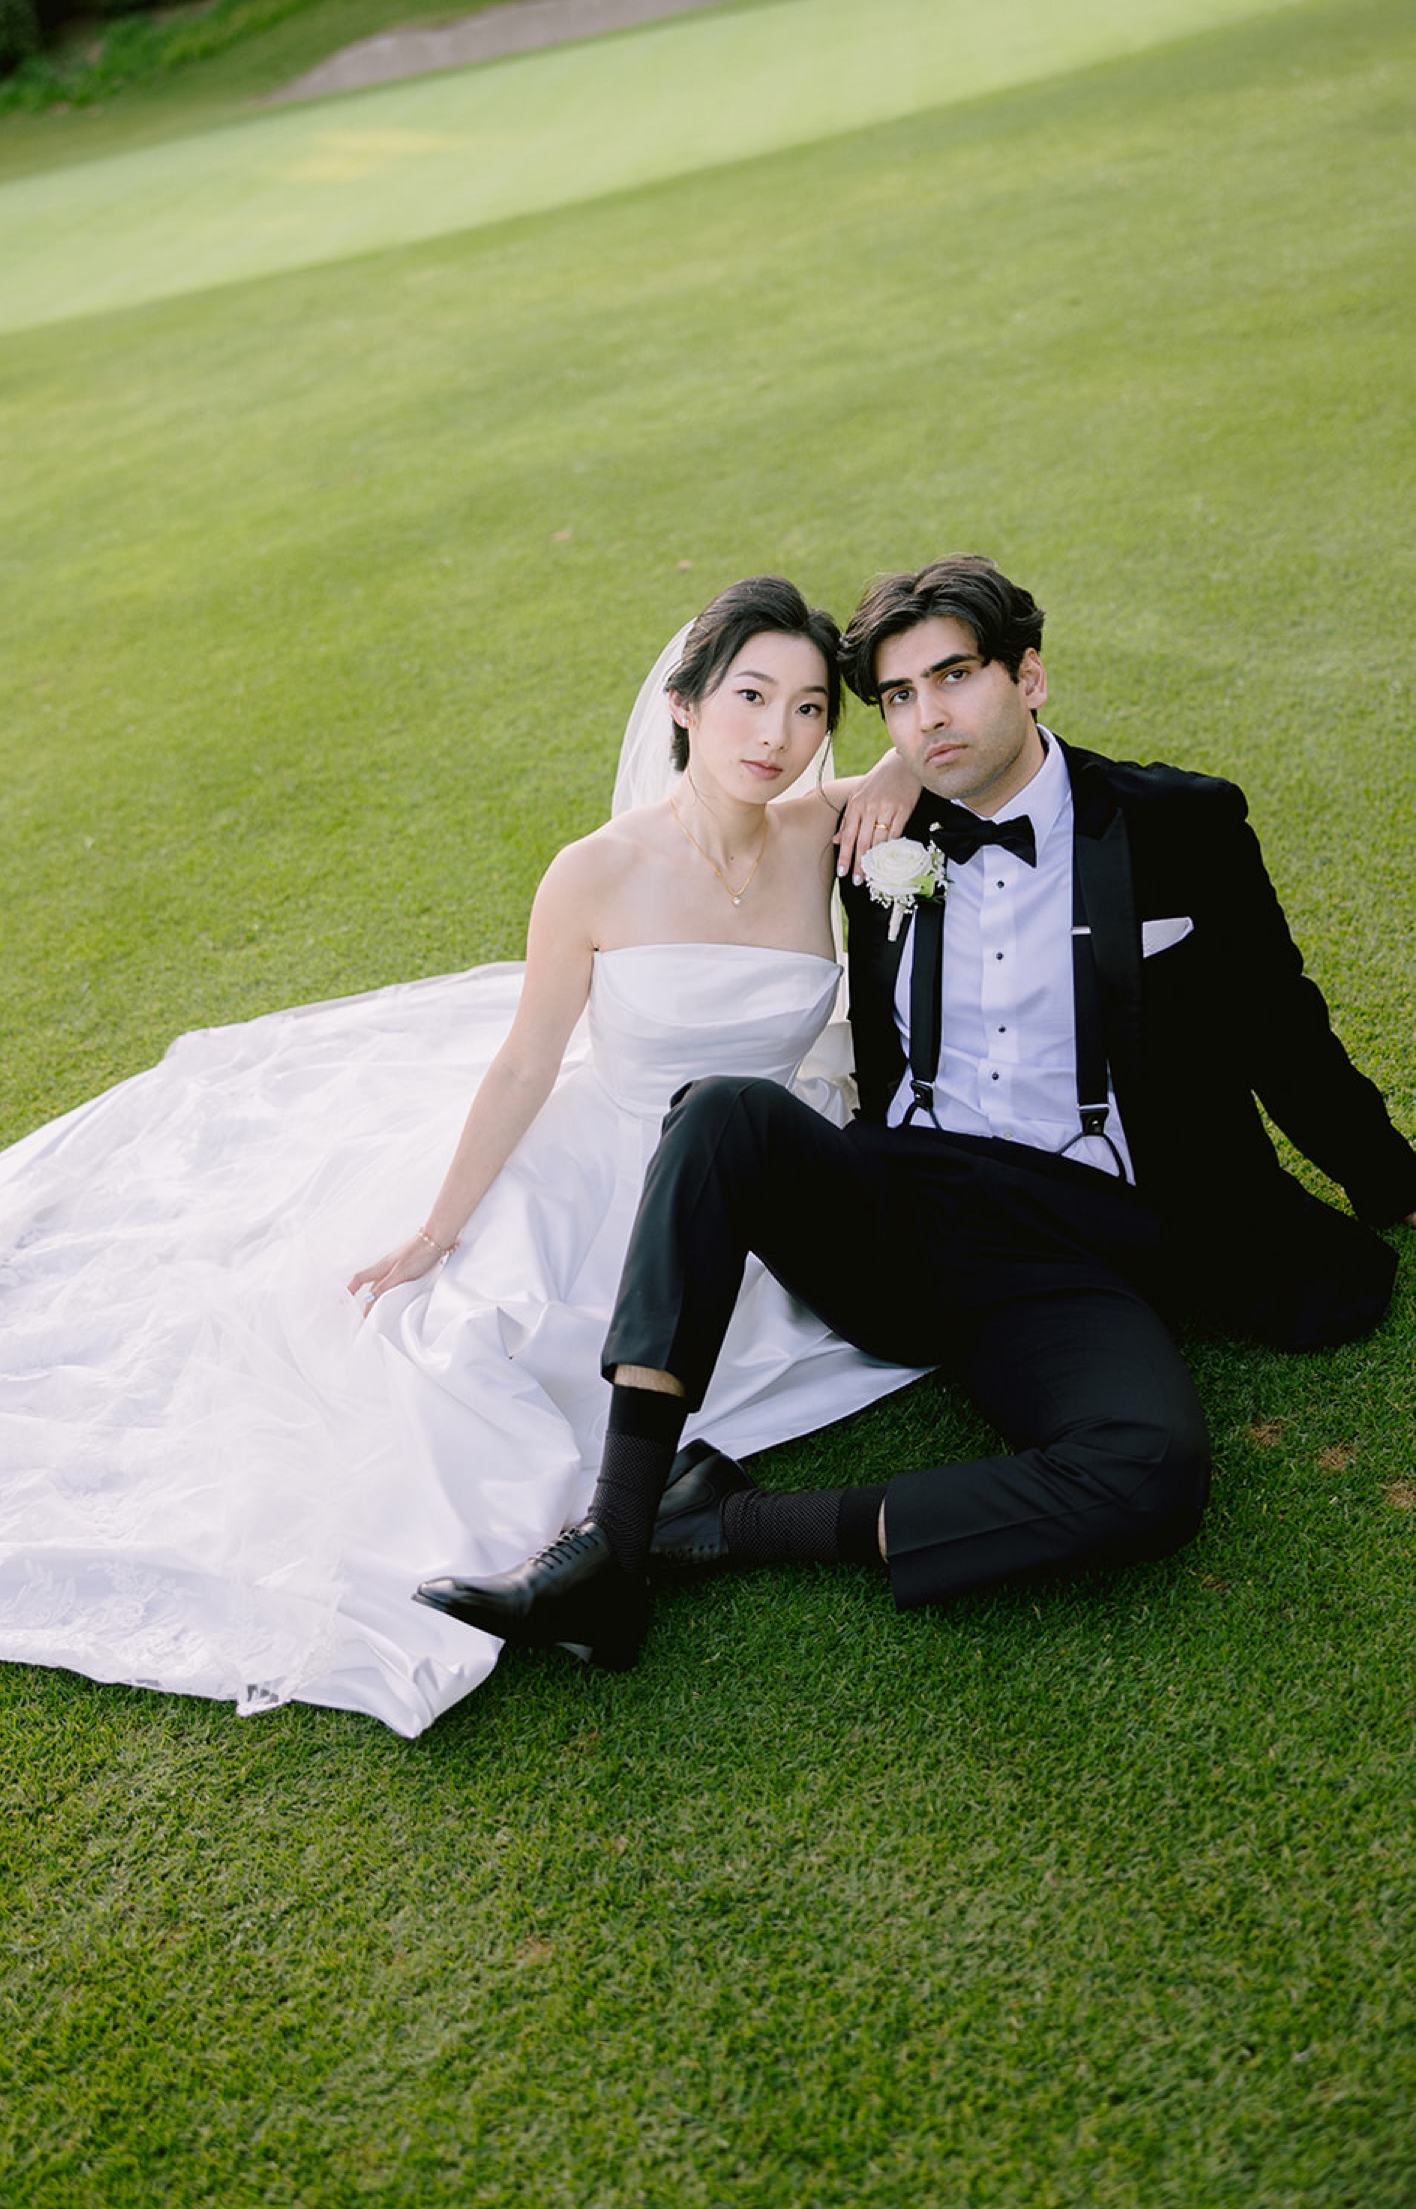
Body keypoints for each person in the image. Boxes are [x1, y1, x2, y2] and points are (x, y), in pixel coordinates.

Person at [0, 579, 919, 1737]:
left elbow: (906, 765)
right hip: (606, 1160)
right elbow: (524, 1065)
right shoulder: (595, 868)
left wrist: (889, 768)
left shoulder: (825, 827)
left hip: (750, 1172)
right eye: (749, 696)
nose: (777, 735)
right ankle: (602, 1541)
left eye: (806, 710)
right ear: (686, 704)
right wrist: (437, 1229)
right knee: (464, 1352)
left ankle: (622, 1535)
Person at [418, 555, 1416, 1670]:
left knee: (1152, 1468)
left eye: (955, 678)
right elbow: (784, 797)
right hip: (903, 1196)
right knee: (718, 1113)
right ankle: (610, 1536)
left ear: (1027, 675)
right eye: (898, 697)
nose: (929, 716)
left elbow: (1282, 1026)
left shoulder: (1174, 824)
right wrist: (900, 765)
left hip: (1081, 1245)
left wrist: (1390, 1181)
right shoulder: (870, 837)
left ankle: (722, 1520)